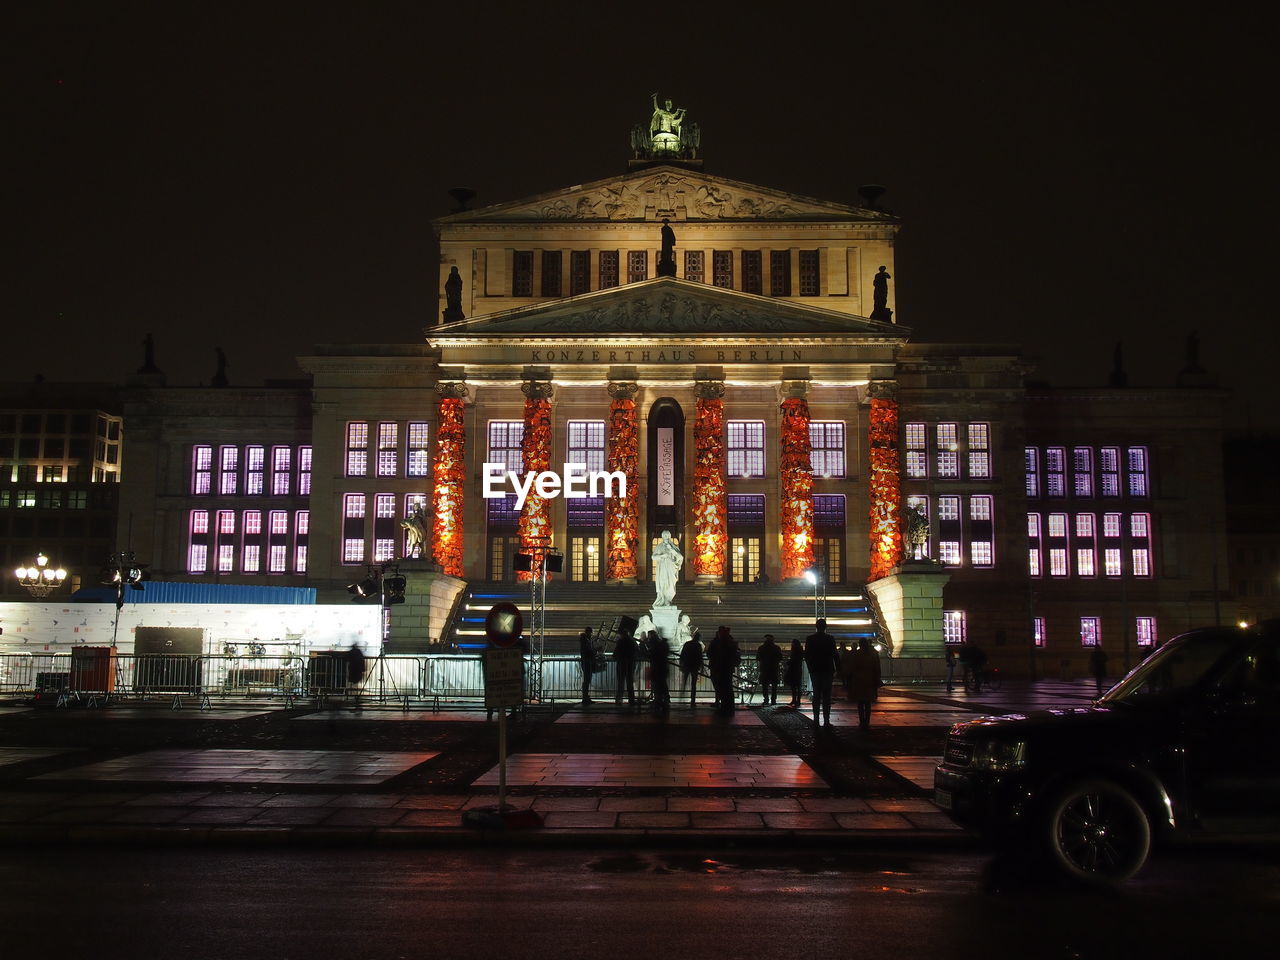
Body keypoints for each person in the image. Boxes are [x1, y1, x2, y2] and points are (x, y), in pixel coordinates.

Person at [805, 618, 840, 727]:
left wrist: (810, 668)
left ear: (816, 626)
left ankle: (816, 720)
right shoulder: (830, 638)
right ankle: (826, 720)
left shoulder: (810, 639)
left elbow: (807, 655)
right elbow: (835, 655)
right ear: (825, 627)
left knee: (816, 695)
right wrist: (838, 669)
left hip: (815, 670)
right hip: (827, 670)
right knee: (826, 696)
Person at [848, 637, 882, 729]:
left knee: (860, 703)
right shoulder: (873, 654)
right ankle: (867, 721)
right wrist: (877, 678)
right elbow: (877, 668)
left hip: (859, 681)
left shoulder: (857, 654)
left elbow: (852, 667)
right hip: (869, 681)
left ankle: (862, 721)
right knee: (867, 703)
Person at [707, 625, 740, 714]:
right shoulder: (731, 642)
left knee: (722, 687)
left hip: (718, 668)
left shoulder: (717, 642)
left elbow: (709, 653)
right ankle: (728, 707)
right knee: (727, 688)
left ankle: (724, 707)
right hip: (727, 668)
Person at [652, 530, 683, 607]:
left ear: (670, 536)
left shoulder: (673, 546)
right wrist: (662, 556)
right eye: (664, 535)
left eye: (667, 535)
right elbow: (653, 557)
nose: (666, 536)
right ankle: (663, 600)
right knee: (662, 583)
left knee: (670, 585)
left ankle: (668, 600)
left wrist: (671, 549)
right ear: (662, 536)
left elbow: (680, 557)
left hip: (671, 568)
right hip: (662, 567)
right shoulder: (659, 546)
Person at [679, 625, 704, 707]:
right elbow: (700, 656)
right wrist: (702, 667)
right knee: (693, 684)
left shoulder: (687, 644)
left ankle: (681, 696)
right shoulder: (698, 645)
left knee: (684, 681)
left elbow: (682, 654)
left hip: (687, 664)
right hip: (694, 666)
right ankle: (692, 700)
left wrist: (681, 664)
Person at [756, 634, 783, 706]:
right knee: (774, 686)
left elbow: (758, 658)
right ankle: (773, 700)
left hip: (764, 669)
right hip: (774, 668)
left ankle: (766, 700)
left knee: (765, 686)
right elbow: (780, 657)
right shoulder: (777, 648)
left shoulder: (761, 648)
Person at [614, 624, 637, 706]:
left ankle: (619, 699)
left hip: (621, 664)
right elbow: (636, 651)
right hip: (630, 664)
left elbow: (616, 653)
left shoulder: (620, 642)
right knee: (630, 683)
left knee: (620, 682)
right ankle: (631, 700)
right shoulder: (633, 641)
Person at [648, 629, 671, 710]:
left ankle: (659, 699)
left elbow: (651, 655)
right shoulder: (662, 644)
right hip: (662, 667)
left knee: (658, 684)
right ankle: (664, 698)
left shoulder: (655, 645)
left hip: (657, 667)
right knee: (662, 684)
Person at [784, 639, 805, 707]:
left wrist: (788, 662)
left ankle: (794, 700)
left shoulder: (795, 651)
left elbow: (794, 660)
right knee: (798, 686)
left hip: (793, 670)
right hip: (798, 670)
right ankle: (797, 701)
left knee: (794, 686)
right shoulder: (800, 650)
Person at [345, 643, 366, 711]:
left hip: (353, 670)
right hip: (358, 670)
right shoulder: (359, 652)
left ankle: (355, 697)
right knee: (356, 684)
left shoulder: (351, 652)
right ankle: (357, 697)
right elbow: (362, 660)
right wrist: (363, 669)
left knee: (353, 684)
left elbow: (346, 658)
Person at [578, 626, 596, 703]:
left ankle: (586, 697)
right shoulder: (586, 641)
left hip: (586, 662)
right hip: (587, 662)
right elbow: (588, 651)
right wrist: (595, 650)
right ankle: (585, 698)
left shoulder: (585, 640)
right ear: (589, 632)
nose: (592, 634)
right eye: (591, 632)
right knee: (587, 680)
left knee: (587, 680)